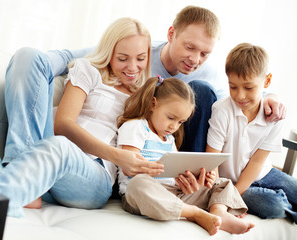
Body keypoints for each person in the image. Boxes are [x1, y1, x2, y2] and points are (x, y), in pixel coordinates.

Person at [0, 17, 163, 239]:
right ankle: (24, 177)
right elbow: (63, 124)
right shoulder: (89, 70)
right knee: (28, 55)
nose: (133, 67)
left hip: (93, 179)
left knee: (60, 148)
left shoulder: (146, 95)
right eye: (123, 58)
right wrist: (117, 155)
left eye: (141, 58)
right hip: (49, 155)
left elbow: (156, 140)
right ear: (108, 52)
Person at [32, 5, 285, 153]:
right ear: (171, 34)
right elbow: (82, 57)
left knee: (201, 90)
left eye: (205, 53)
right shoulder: (138, 56)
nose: (195, 59)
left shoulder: (210, 75)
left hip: (179, 145)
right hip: (138, 142)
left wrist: (268, 96)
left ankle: (195, 177)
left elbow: (236, 103)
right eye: (190, 47)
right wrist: (39, 63)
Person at [117, 76, 254, 235]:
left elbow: (175, 174)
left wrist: (191, 181)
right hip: (142, 196)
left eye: (180, 122)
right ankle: (195, 214)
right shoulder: (135, 127)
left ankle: (218, 211)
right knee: (139, 183)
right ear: (153, 104)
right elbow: (129, 168)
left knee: (222, 182)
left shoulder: (169, 138)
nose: (174, 126)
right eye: (171, 118)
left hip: (174, 194)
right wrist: (157, 169)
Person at [206, 43, 297, 223]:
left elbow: (257, 161)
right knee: (274, 205)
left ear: (267, 81)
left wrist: (235, 196)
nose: (240, 96)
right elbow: (212, 159)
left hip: (264, 173)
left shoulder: (274, 115)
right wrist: (229, 197)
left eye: (248, 88)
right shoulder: (222, 110)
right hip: (230, 182)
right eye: (233, 87)